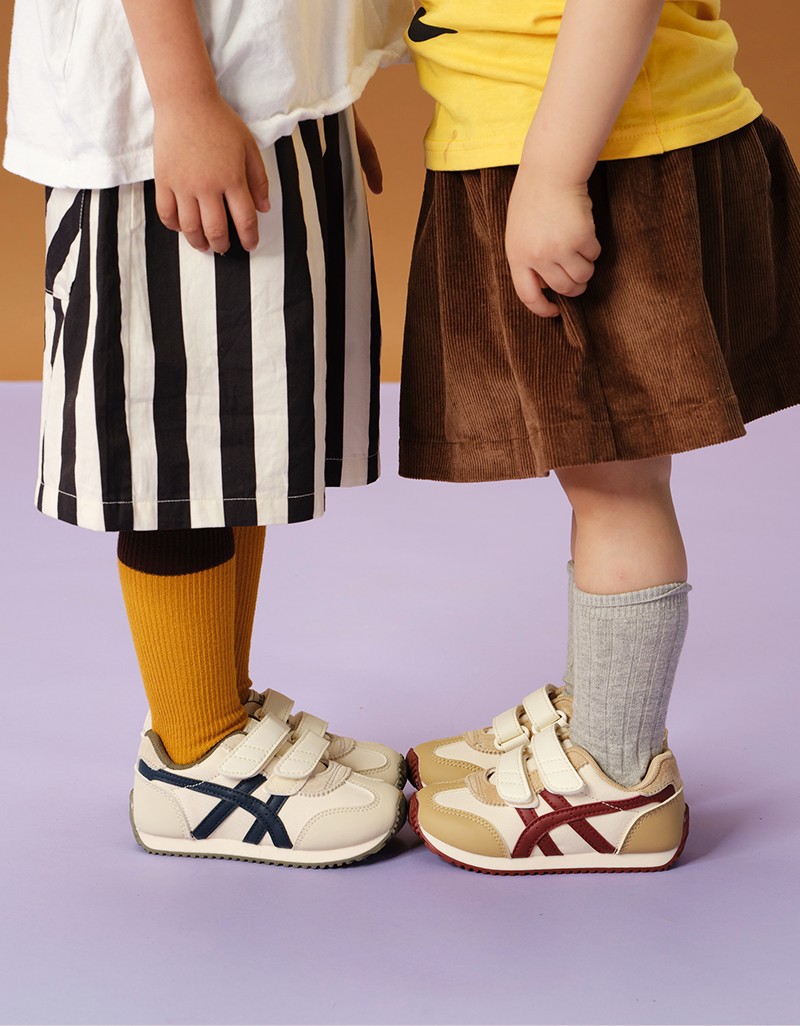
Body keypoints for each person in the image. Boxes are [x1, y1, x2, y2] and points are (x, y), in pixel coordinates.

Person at [3, 0, 412, 867]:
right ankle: (192, 752)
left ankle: (222, 709)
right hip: (167, 111)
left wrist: (315, 87)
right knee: (177, 437)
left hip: (254, 95)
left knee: (243, 423)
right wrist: (184, 100)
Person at [400, 0, 800, 872]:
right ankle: (596, 719)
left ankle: (617, 778)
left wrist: (554, 172)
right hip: (566, 132)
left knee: (614, 480)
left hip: (592, 148)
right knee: (605, 473)